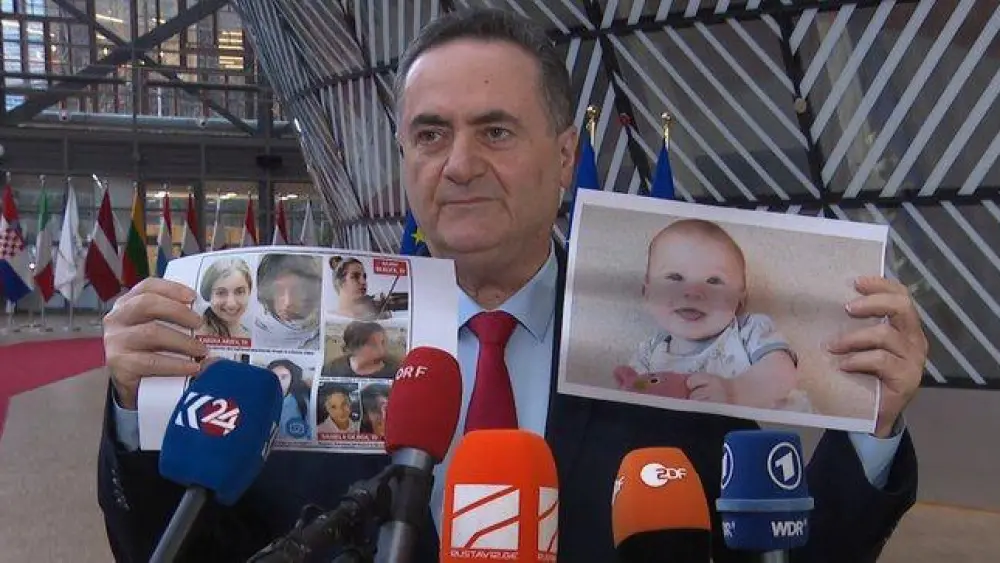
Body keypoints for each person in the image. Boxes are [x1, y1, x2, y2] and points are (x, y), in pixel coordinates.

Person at [97, 8, 926, 563]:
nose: (459, 165)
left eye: (495, 131)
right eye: (430, 134)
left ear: (566, 156)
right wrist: (137, 407)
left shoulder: (672, 360)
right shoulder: (305, 352)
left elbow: (783, 547)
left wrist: (873, 427)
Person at [614, 218, 812, 412]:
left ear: (739, 300)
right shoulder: (648, 354)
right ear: (647, 294)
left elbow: (781, 373)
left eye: (713, 281)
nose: (692, 293)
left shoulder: (749, 331)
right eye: (675, 277)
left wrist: (734, 392)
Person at [253, 254, 322, 349]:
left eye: (297, 290)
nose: (288, 302)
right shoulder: (252, 332)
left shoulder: (324, 334)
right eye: (278, 290)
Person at [194, 257, 252, 340]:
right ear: (208, 295)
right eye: (221, 293)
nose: (231, 304)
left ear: (249, 292)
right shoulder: (196, 334)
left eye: (239, 292)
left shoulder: (251, 335)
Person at [322, 321, 398, 379]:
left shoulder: (395, 369)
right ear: (355, 348)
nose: (381, 350)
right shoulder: (333, 369)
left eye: (383, 342)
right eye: (372, 344)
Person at [328, 256, 390, 321]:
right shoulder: (330, 317)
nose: (363, 282)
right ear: (339, 282)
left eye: (364, 277)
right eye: (355, 276)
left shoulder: (374, 313)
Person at [267, 359, 312, 440]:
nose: (279, 382)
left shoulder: (303, 400)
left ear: (292, 378)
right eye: (273, 377)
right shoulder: (261, 401)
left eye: (284, 377)